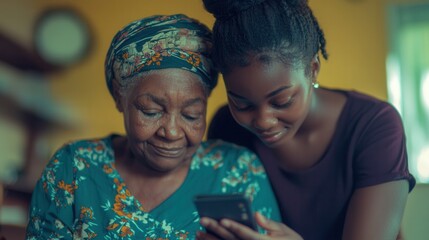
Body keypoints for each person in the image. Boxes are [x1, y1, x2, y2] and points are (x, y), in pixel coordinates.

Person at [25, 14, 281, 239]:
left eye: (191, 115)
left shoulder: (238, 173)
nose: (171, 132)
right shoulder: (74, 168)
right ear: (119, 97)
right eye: (151, 111)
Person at [197, 0, 416, 239]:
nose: (263, 121)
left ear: (312, 69)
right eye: (242, 104)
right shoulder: (228, 128)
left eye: (281, 101)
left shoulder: (374, 126)